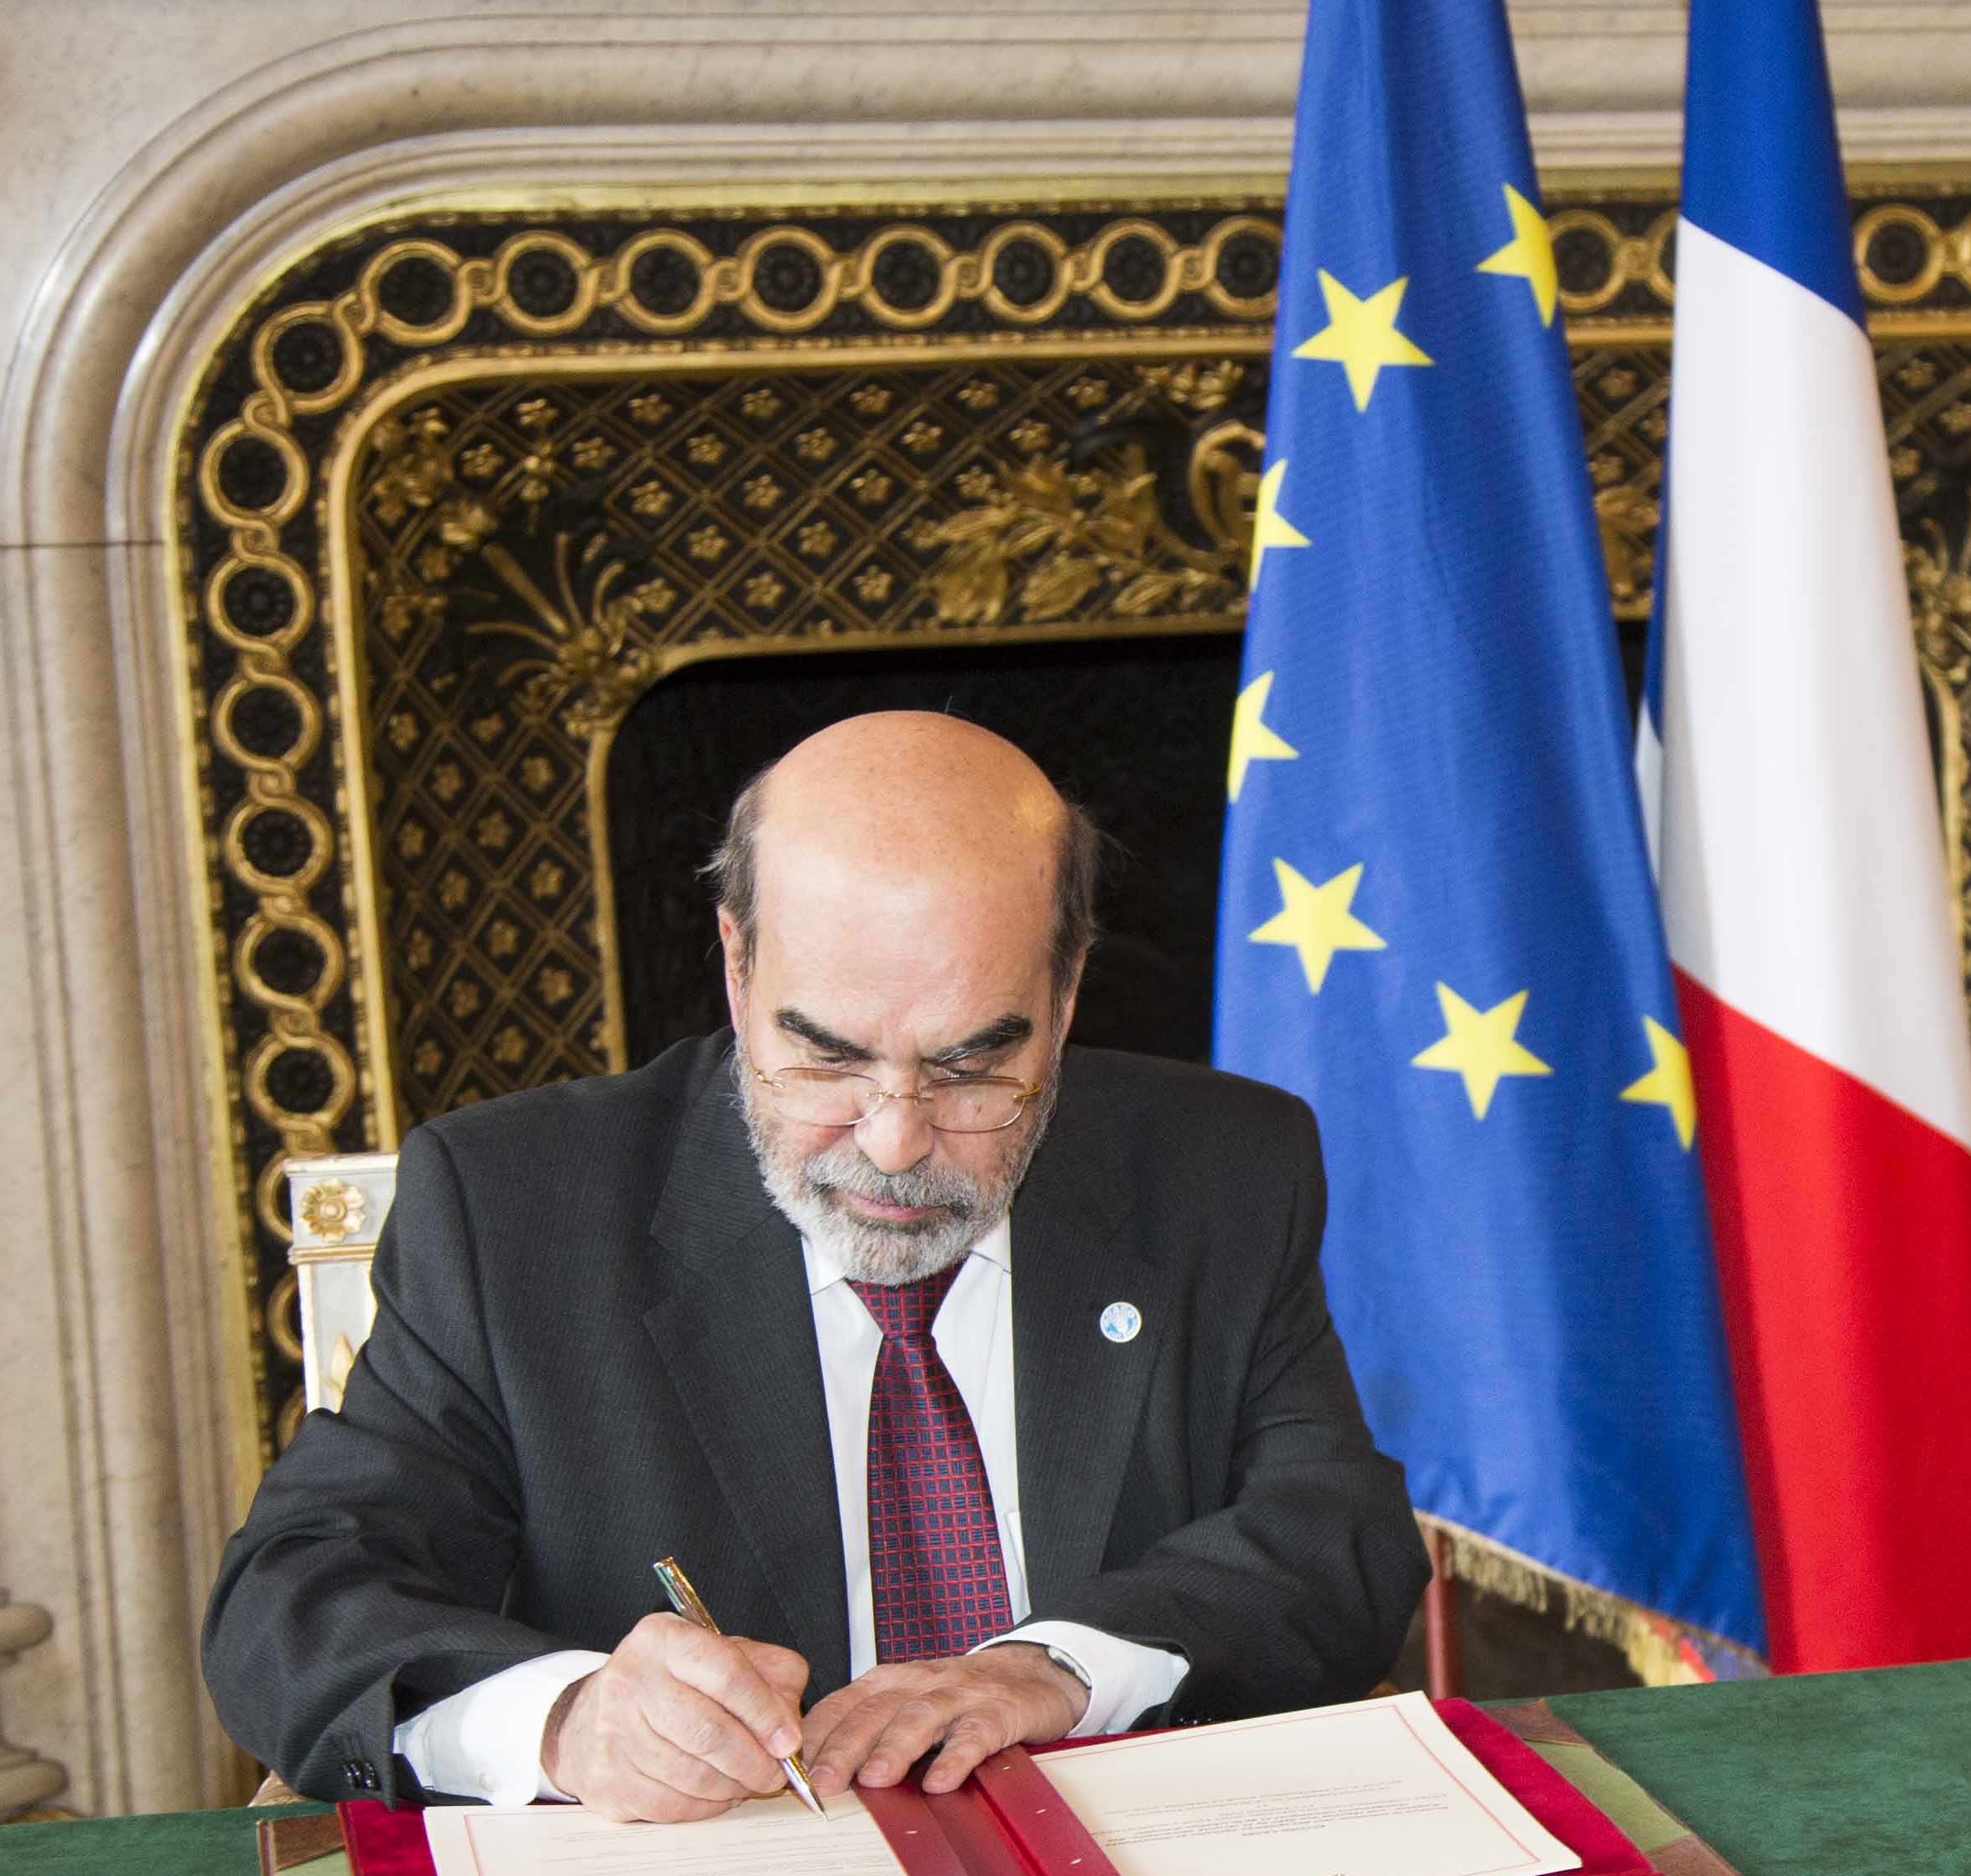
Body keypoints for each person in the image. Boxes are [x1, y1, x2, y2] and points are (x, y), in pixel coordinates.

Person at [205, 713, 1425, 1818]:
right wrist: (566, 1724)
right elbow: (292, 1596)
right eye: (827, 1059)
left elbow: (1339, 1542)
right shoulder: (514, 1210)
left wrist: (1055, 1668)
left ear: (1064, 996)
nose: (894, 1142)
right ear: (738, 968)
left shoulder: (1220, 1170)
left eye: (969, 1066)